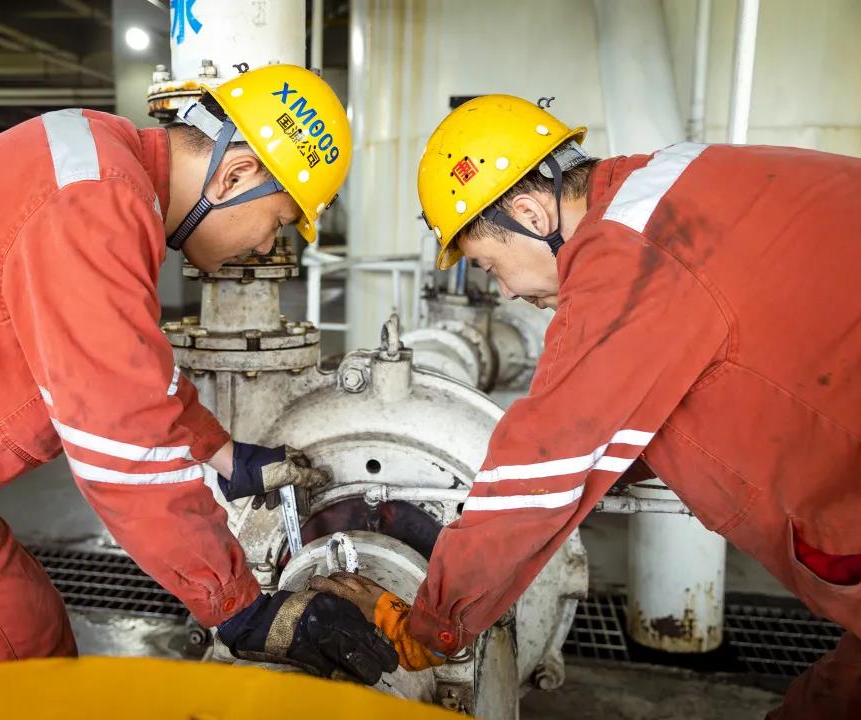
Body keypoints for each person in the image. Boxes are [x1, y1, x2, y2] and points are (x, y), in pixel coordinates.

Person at [0, 63, 396, 709]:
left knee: (21, 645)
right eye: (277, 222)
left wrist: (224, 455)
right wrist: (241, 607)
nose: (267, 246)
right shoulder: (92, 202)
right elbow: (123, 445)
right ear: (234, 176)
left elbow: (130, 374)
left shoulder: (107, 174)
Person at [312, 95, 860, 718]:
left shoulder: (627, 251)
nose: (506, 291)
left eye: (490, 265)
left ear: (529, 212)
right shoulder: (672, 186)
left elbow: (542, 468)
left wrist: (430, 624)